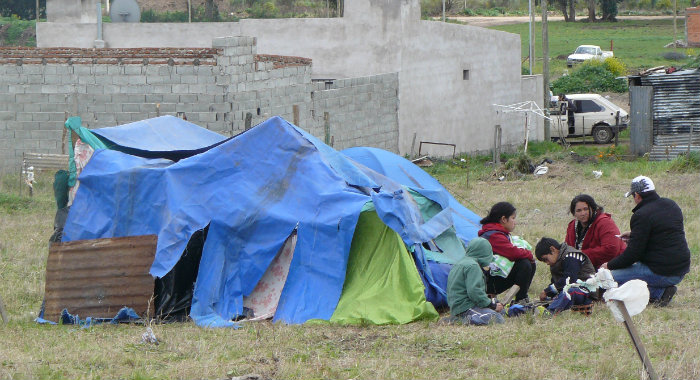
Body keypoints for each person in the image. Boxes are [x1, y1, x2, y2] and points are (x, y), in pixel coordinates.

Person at [601, 176, 691, 307]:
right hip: (681, 268)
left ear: (637, 195)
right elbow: (663, 232)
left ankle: (659, 293)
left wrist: (609, 266)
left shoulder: (641, 215)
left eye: (633, 196)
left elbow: (632, 255)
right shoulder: (671, 205)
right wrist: (634, 235)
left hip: (661, 271)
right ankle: (661, 291)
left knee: (609, 281)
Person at [478, 202, 535, 303]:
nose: (515, 222)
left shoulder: (494, 232)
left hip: (489, 276)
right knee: (525, 263)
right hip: (485, 281)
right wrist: (529, 254)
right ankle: (521, 300)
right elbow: (513, 253)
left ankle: (521, 298)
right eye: (513, 218)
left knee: (527, 262)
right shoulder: (494, 235)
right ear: (504, 219)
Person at [446, 237, 505, 325]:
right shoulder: (473, 266)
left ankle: (459, 317)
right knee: (497, 319)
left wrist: (492, 303)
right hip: (466, 307)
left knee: (501, 310)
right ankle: (457, 320)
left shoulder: (461, 262)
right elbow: (474, 292)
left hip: (458, 306)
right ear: (485, 253)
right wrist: (491, 305)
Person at [535, 237, 597, 313]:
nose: (547, 263)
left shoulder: (571, 256)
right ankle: (535, 308)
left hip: (586, 292)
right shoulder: (557, 261)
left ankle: (550, 312)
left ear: (552, 249)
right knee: (556, 296)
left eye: (546, 259)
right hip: (572, 291)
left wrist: (547, 291)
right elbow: (556, 282)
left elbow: (569, 281)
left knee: (569, 291)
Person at [565, 194, 626, 269]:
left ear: (593, 208)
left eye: (586, 209)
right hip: (584, 266)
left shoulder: (605, 222)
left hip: (611, 266)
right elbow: (568, 249)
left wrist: (581, 255)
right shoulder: (572, 226)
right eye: (579, 210)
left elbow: (611, 250)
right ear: (574, 213)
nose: (583, 213)